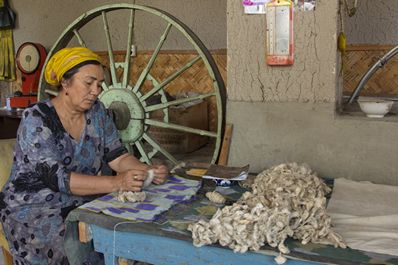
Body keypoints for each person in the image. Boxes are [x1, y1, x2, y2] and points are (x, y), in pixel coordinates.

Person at [0, 47, 169, 265]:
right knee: (76, 244)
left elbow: (116, 155)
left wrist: (143, 170)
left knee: (130, 229)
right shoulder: (37, 118)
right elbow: (58, 179)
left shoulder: (98, 112)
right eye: (88, 83)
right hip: (34, 208)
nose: (96, 90)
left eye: (99, 84)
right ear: (65, 83)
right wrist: (118, 182)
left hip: (80, 200)